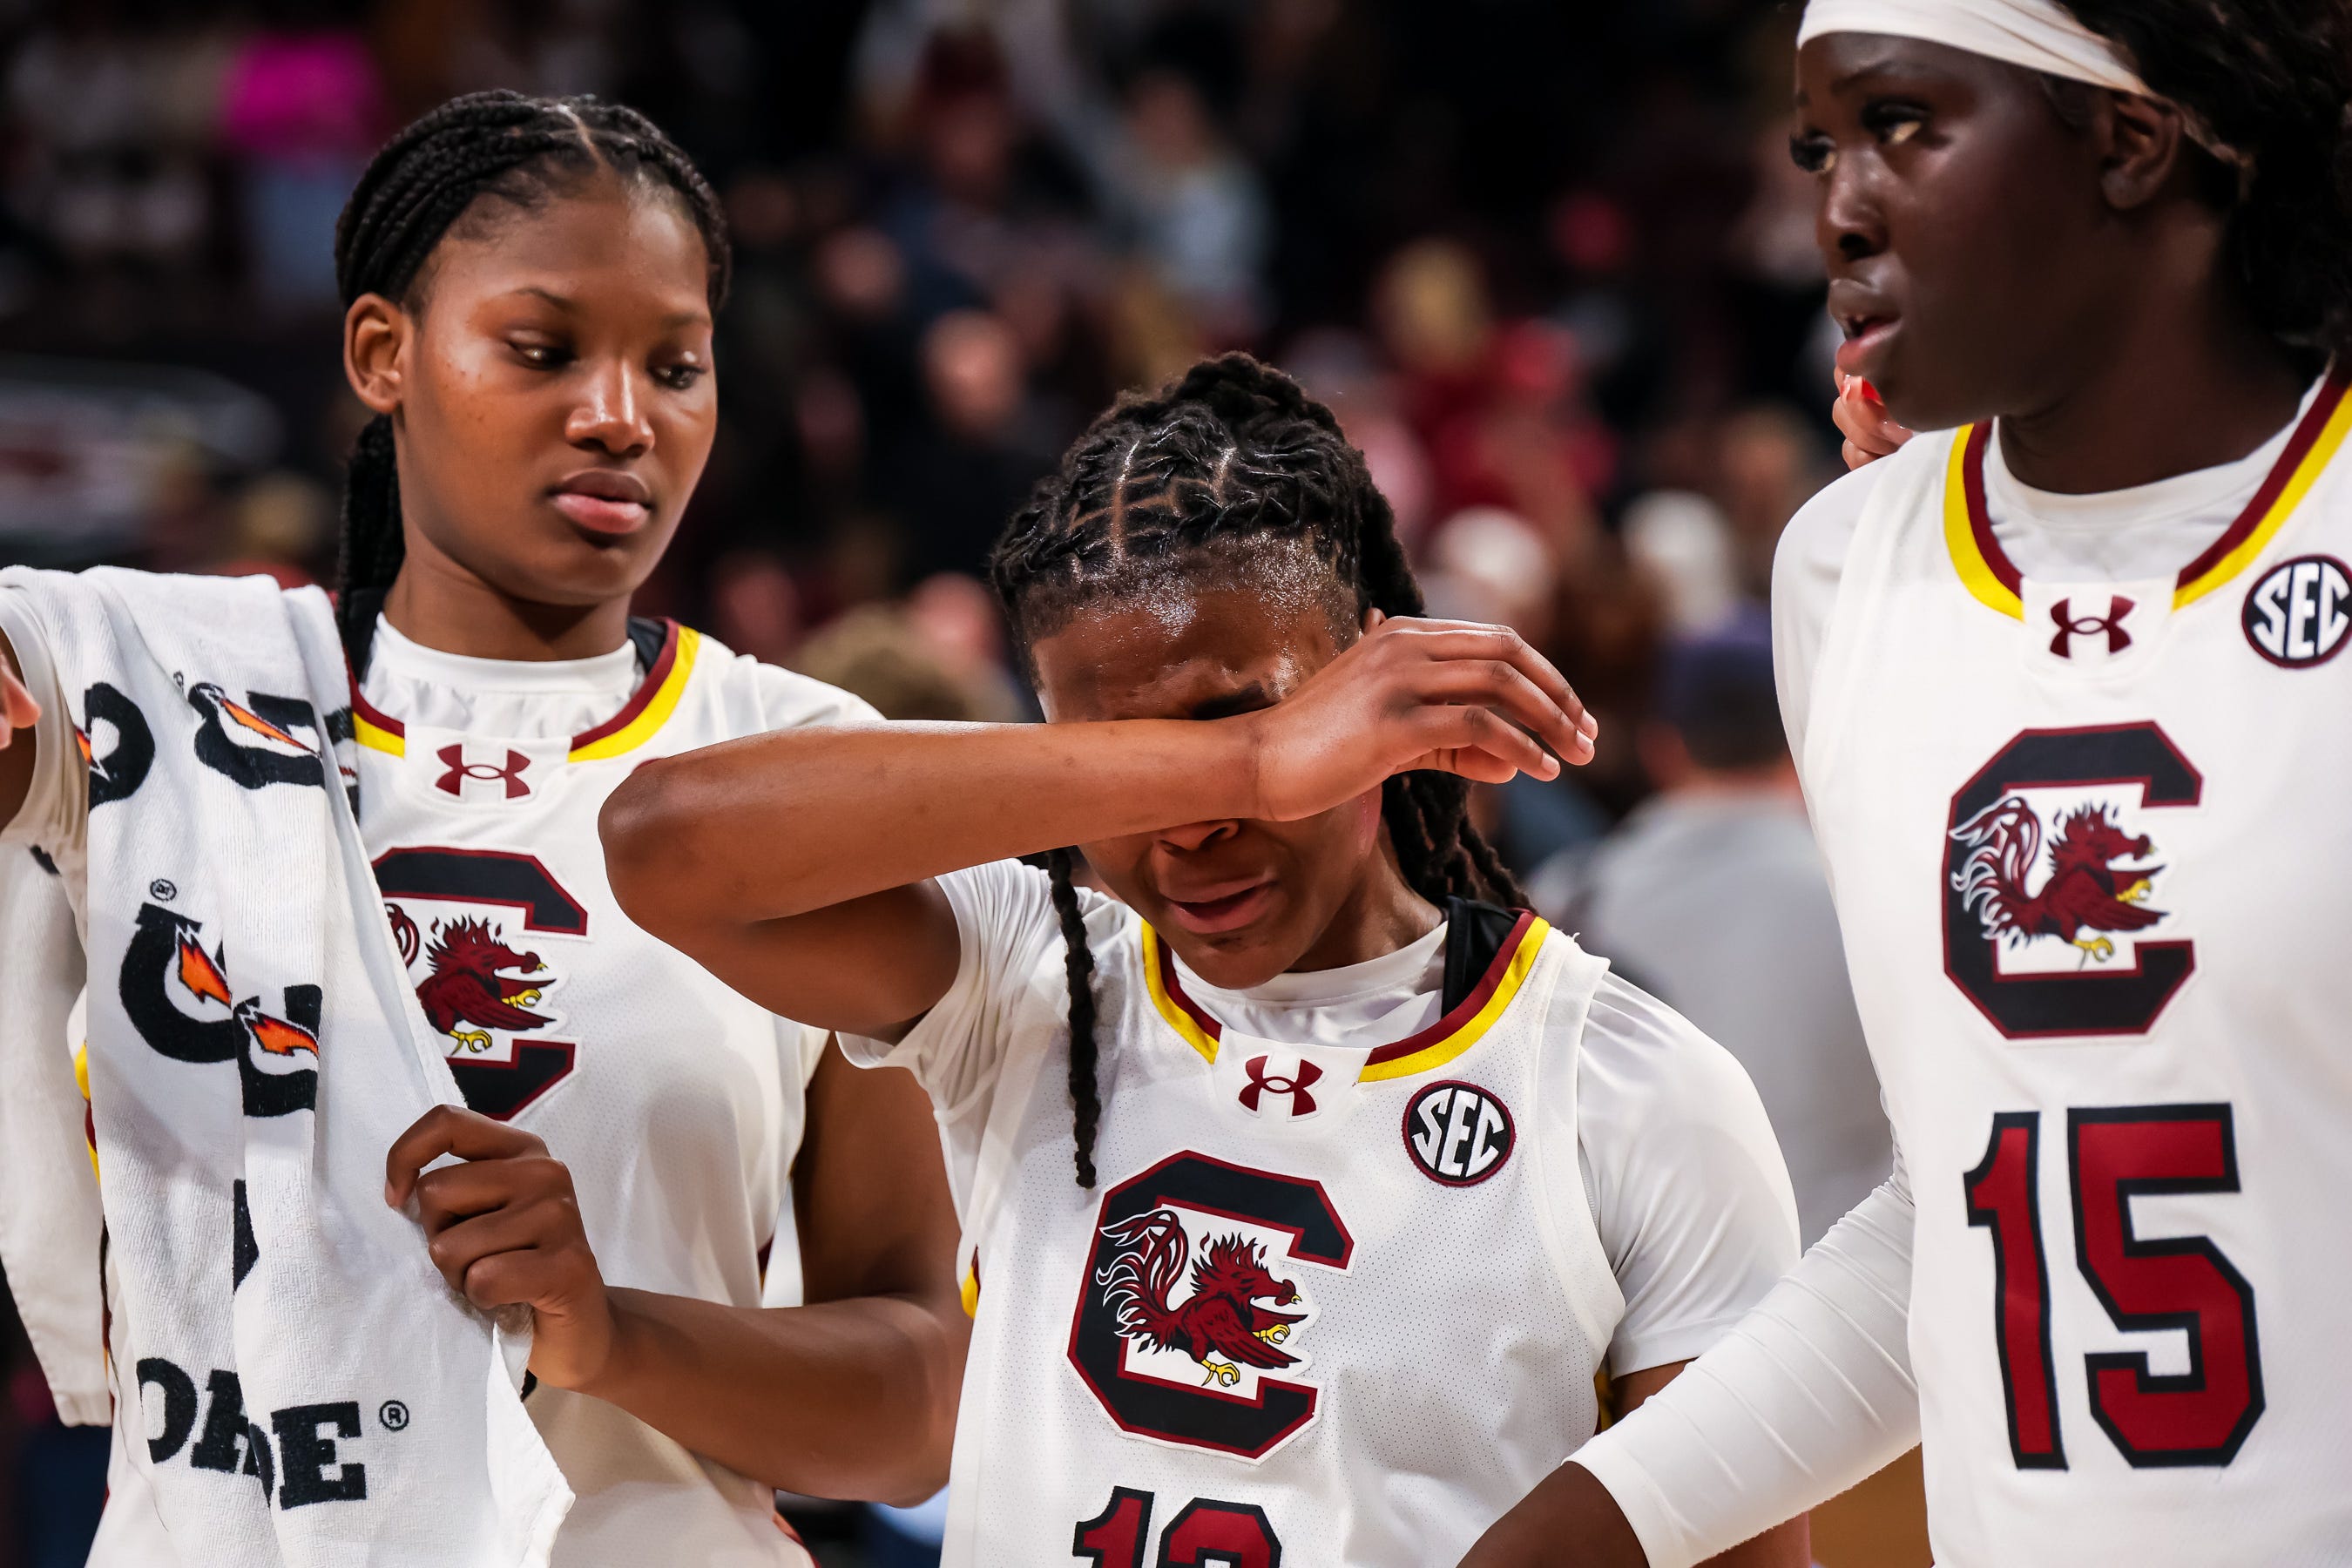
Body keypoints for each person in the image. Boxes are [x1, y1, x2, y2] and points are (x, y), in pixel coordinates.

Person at [599, 354, 1810, 1568]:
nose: (1190, 828)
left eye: (1240, 717)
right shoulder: (1029, 977)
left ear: (1371, 674)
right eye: (1119, 756)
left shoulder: (1640, 1095)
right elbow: (661, 848)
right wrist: (1250, 763)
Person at [0, 91, 963, 1566]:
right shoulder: (143, 686)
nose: (619, 416)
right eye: (544, 349)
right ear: (383, 353)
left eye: (677, 366)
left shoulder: (809, 765)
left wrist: (608, 1334)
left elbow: (911, 1411)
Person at [1463, 1, 2352, 1564]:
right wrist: (1583, 1528)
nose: (1837, 207)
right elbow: (1958, 1211)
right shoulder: (1843, 571)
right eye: (1820, 145)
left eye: (1904, 125)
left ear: (2130, 144)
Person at [1535, 612, 1889, 1248]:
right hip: (1851, 1299)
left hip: (1649, 1316)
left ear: (1661, 749)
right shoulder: (1876, 898)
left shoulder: (1564, 901)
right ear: (1800, 740)